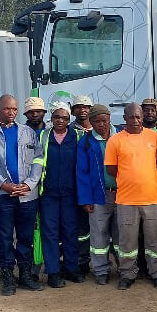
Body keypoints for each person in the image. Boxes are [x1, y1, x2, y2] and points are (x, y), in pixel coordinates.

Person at [0, 94, 45, 295]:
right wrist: (4, 185)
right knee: (5, 237)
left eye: (15, 109)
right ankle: (7, 276)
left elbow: (38, 160)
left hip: (27, 195)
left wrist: (29, 184)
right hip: (2, 196)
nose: (11, 112)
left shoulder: (27, 133)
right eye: (7, 109)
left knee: (25, 237)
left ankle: (25, 273)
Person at [105, 102, 157, 290]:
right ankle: (127, 274)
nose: (135, 120)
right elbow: (110, 168)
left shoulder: (153, 136)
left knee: (155, 241)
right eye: (131, 116)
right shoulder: (115, 140)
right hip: (126, 200)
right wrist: (129, 178)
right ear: (124, 118)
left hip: (153, 199)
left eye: (138, 116)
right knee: (127, 242)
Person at [39, 101, 82, 287]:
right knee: (50, 233)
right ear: (51, 117)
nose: (60, 121)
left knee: (71, 232)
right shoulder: (42, 136)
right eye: (57, 116)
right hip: (48, 194)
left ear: (69, 119)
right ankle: (53, 272)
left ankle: (71, 268)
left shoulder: (78, 136)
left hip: (71, 193)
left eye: (65, 117)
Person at [76, 104, 118, 285]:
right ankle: (101, 270)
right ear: (91, 122)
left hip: (123, 195)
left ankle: (124, 269)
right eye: (97, 121)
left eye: (104, 120)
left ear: (110, 119)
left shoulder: (121, 137)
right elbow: (81, 172)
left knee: (121, 235)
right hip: (98, 196)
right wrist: (86, 199)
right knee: (98, 234)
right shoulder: (86, 142)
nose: (101, 125)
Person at [69, 94, 93, 276]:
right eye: (78, 107)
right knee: (82, 228)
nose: (82, 110)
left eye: (86, 107)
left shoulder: (103, 129)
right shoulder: (68, 131)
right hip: (77, 186)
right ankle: (82, 261)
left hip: (99, 186)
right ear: (73, 110)